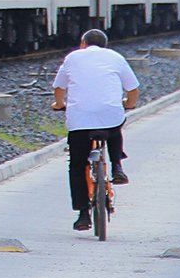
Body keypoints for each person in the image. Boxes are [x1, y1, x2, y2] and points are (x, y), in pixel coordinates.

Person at [52, 28, 139, 231]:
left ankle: (83, 214)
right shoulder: (115, 57)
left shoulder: (72, 57)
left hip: (79, 122)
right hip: (110, 117)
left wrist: (59, 104)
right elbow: (133, 89)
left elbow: (59, 88)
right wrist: (129, 104)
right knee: (115, 125)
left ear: (83, 43)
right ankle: (117, 166)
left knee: (77, 165)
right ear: (105, 45)